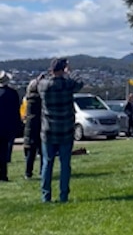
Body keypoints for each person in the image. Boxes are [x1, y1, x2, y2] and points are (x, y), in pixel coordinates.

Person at [37, 58, 83, 203]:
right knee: (65, 164)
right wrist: (70, 72)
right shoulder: (68, 84)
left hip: (48, 129)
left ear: (51, 69)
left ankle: (46, 195)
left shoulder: (44, 85)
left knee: (47, 163)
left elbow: (37, 82)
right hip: (66, 129)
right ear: (63, 70)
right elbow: (80, 83)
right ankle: (63, 195)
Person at [0, 71, 20, 182]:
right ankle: (3, 174)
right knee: (4, 152)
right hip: (7, 127)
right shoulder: (13, 93)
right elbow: (16, 111)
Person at [23, 77, 43, 179]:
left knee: (31, 151)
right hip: (41, 124)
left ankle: (28, 172)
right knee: (43, 150)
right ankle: (42, 171)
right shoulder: (41, 99)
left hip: (30, 125)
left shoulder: (29, 99)